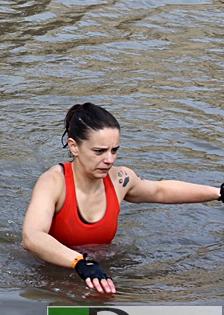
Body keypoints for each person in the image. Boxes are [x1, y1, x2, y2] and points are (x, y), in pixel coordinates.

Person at [22, 102, 223, 294]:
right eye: (99, 151)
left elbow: (159, 190)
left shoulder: (120, 179)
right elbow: (33, 237)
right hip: (49, 273)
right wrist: (80, 262)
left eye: (114, 150)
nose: (109, 160)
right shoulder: (53, 182)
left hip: (96, 270)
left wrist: (218, 193)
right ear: (74, 147)